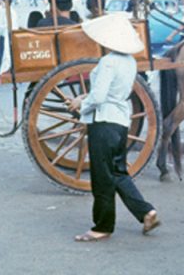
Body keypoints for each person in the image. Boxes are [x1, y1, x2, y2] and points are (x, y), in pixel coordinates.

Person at [68, 14, 159, 242]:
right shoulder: (129, 62)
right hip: (120, 123)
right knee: (118, 172)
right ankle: (146, 211)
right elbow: (110, 93)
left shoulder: (108, 61)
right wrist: (87, 99)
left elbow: (98, 97)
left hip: (103, 123)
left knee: (102, 177)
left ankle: (102, 226)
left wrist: (81, 104)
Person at [0, 0, 19, 76]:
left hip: (8, 33)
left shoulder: (7, 11)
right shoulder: (11, 11)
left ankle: (4, 71)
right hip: (11, 33)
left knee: (7, 54)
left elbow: (2, 26)